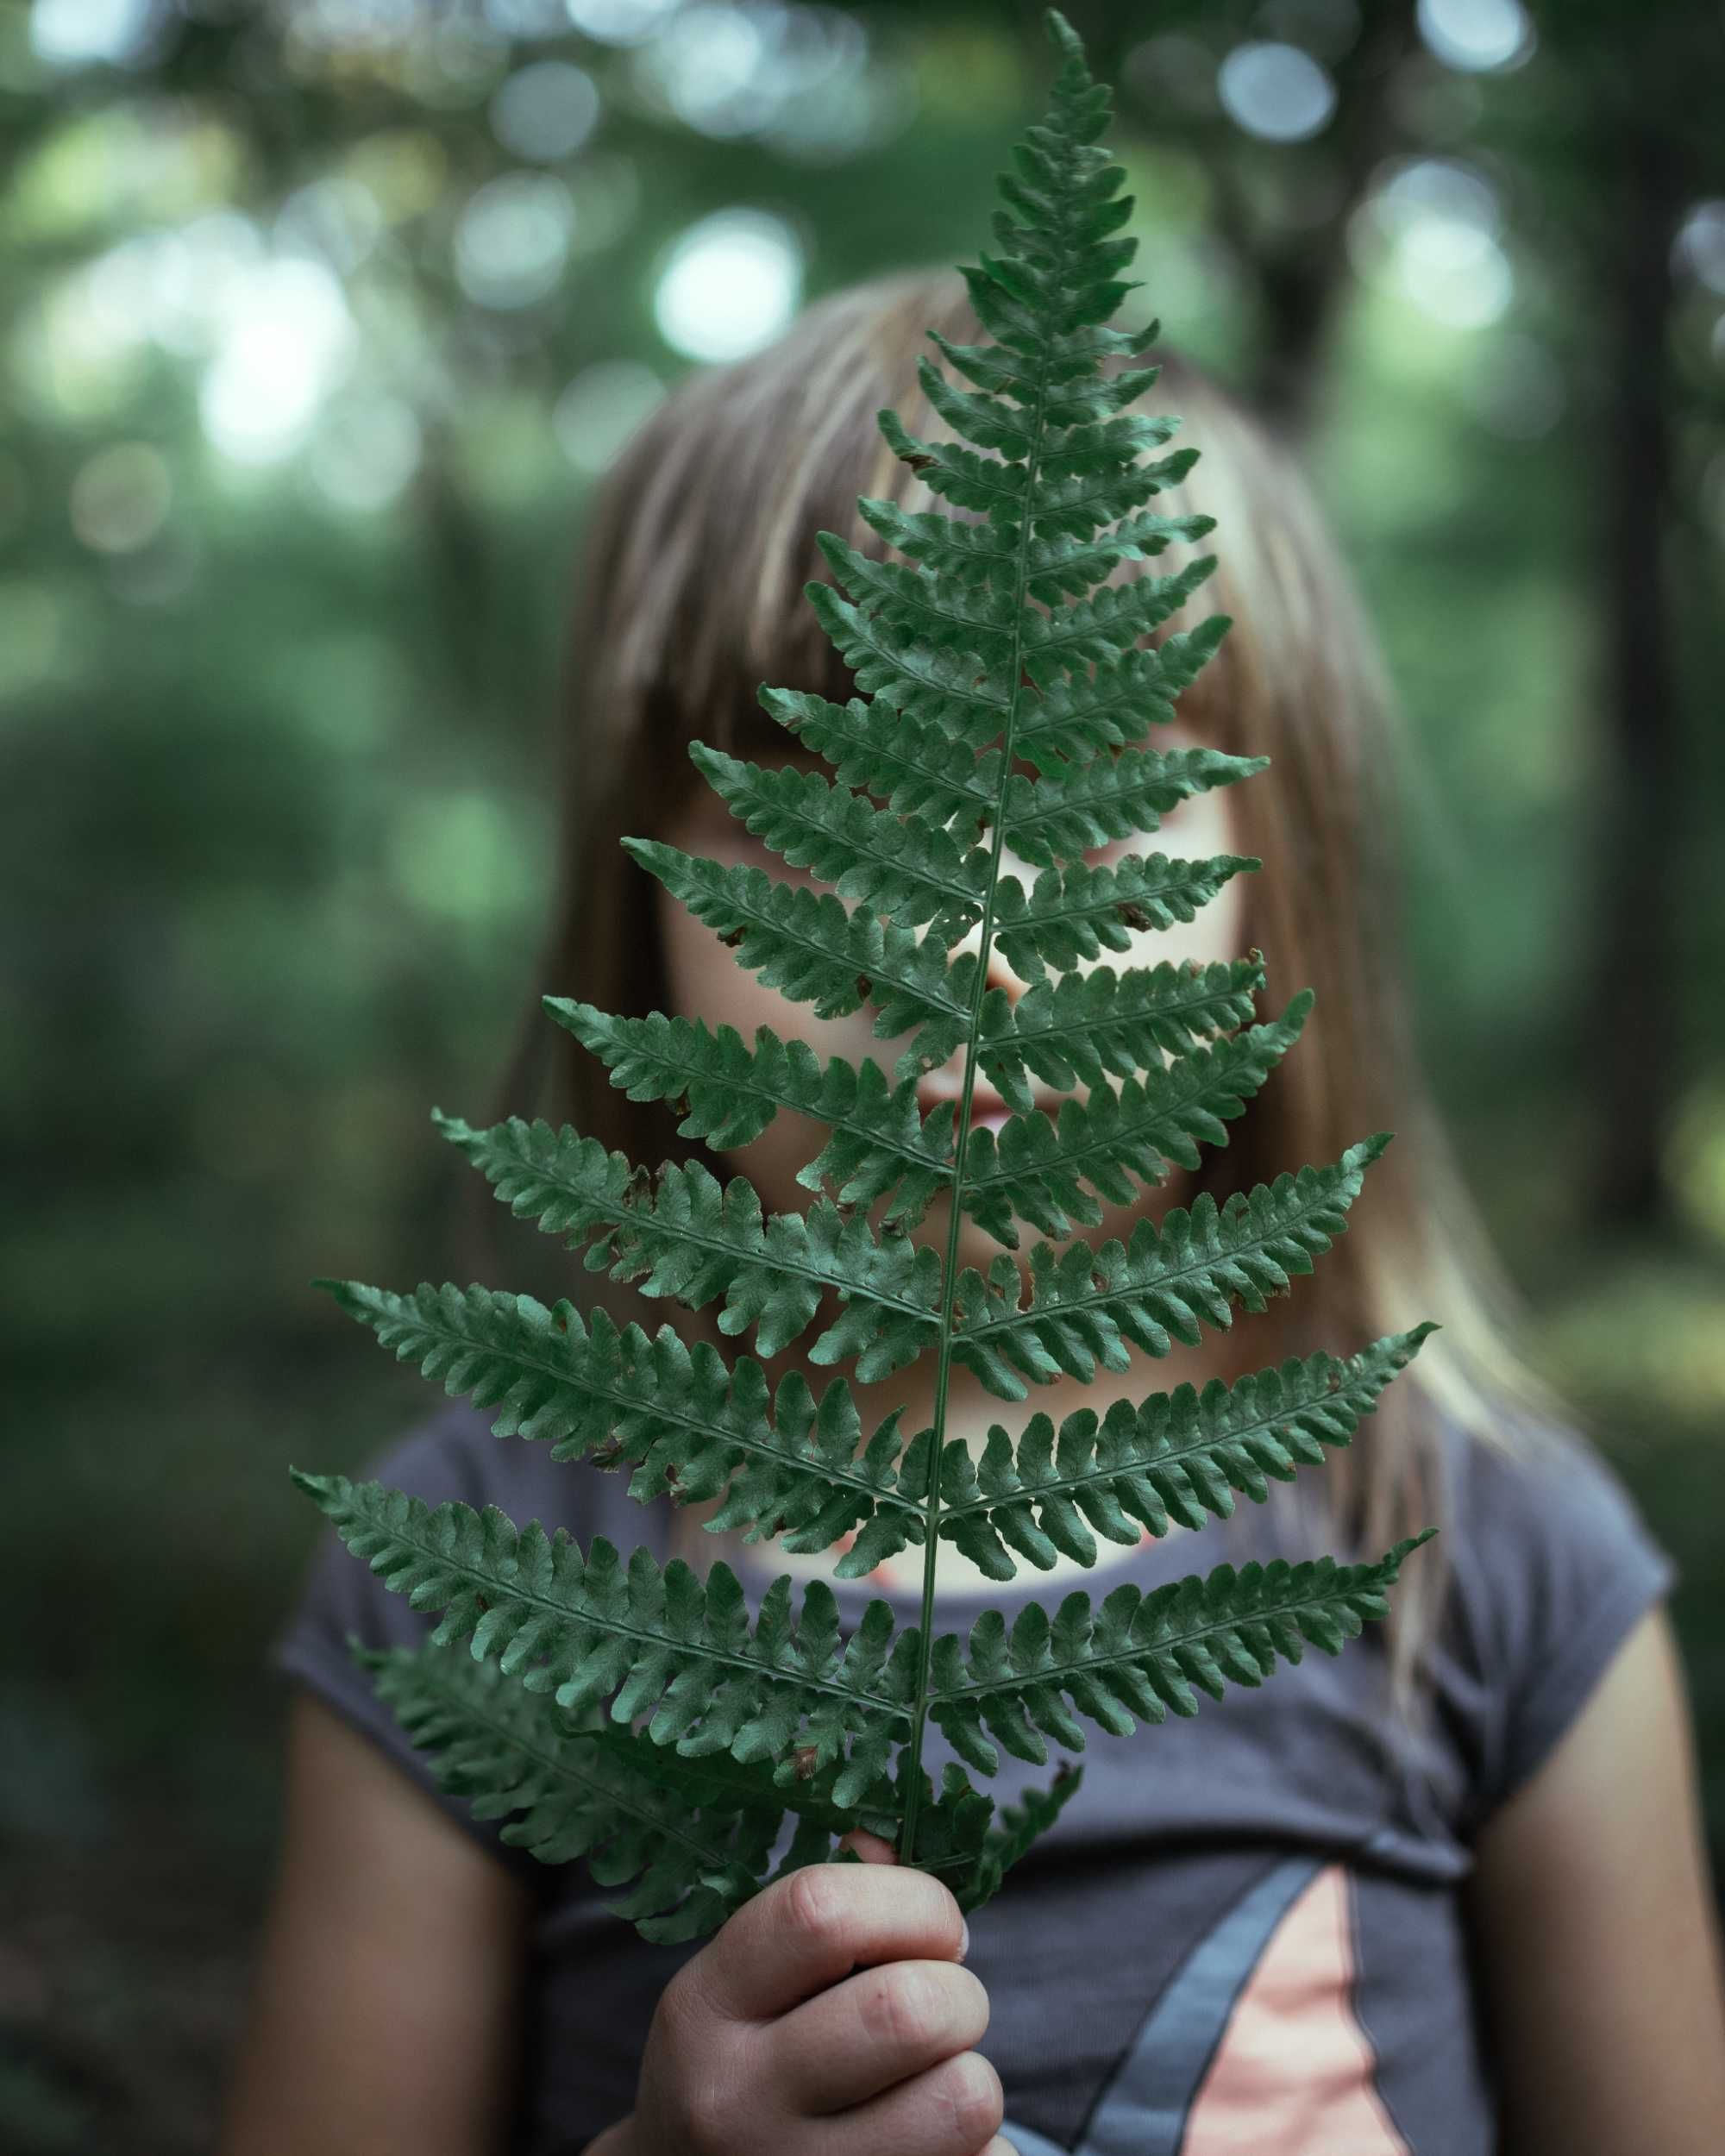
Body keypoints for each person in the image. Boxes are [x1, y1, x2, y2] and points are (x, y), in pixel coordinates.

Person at [220, 266, 1725, 2156]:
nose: (953, 940)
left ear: (1285, 887)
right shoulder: (464, 1563)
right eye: (811, 809)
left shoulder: (1487, 1553)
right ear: (647, 870)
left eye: (1092, 804)